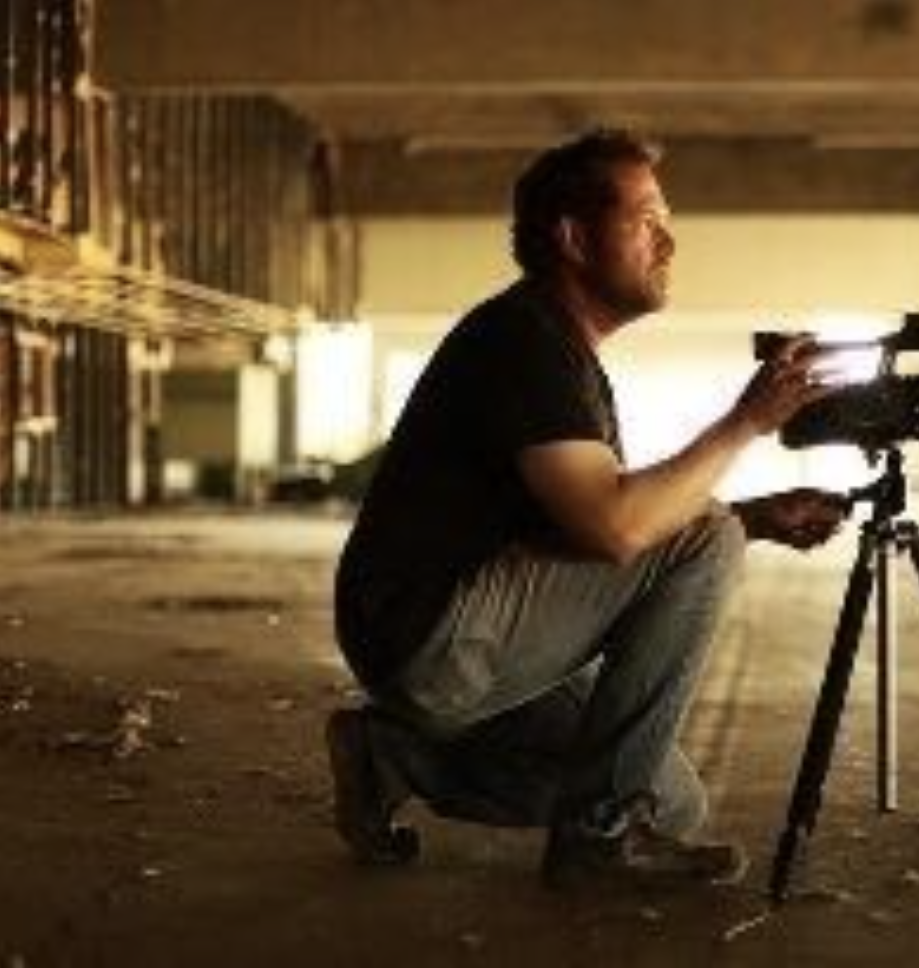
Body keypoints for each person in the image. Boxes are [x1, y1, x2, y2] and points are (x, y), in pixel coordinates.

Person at [327, 128, 847, 890]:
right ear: (573, 237)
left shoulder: (557, 348)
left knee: (670, 801)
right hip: (432, 630)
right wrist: (746, 424)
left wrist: (754, 519)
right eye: (646, 220)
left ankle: (396, 756)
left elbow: (586, 521)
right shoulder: (524, 342)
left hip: (457, 628)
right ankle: (596, 840)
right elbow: (615, 528)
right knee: (703, 537)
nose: (668, 243)